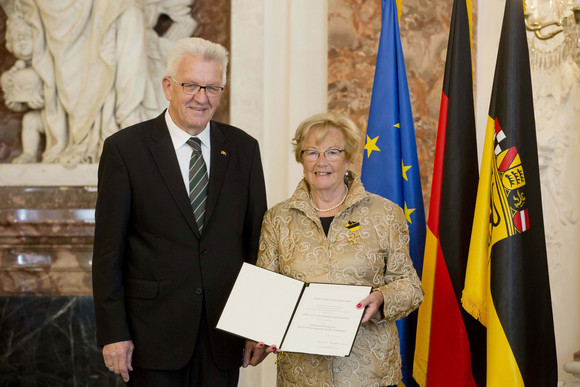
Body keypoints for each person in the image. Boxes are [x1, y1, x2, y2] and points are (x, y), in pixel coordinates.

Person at [92, 37, 267, 386]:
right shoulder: (125, 150)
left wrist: (255, 326)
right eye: (191, 85)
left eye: (212, 87)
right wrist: (113, 333)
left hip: (224, 335)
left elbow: (256, 247)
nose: (201, 98)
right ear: (168, 86)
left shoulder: (244, 149)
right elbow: (108, 252)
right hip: (151, 337)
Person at [243, 112, 424, 386]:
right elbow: (268, 291)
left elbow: (410, 286)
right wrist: (258, 333)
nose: (321, 162)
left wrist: (382, 298)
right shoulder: (278, 218)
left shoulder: (385, 214)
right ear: (300, 158)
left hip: (368, 372)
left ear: (348, 156)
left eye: (332, 152)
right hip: (301, 374)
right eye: (312, 152)